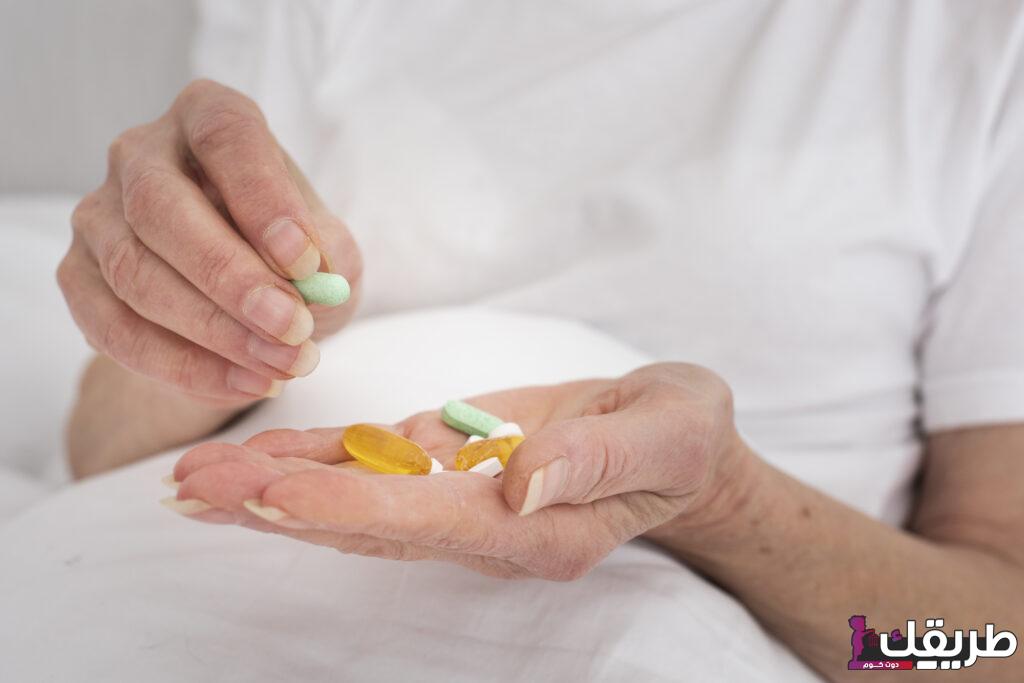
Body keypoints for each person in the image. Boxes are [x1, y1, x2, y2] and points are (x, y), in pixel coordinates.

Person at [56, 2, 1024, 679]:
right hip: (172, 602)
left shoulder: (975, 42)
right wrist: (227, 309)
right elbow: (97, 449)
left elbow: (992, 652)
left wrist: (725, 502)